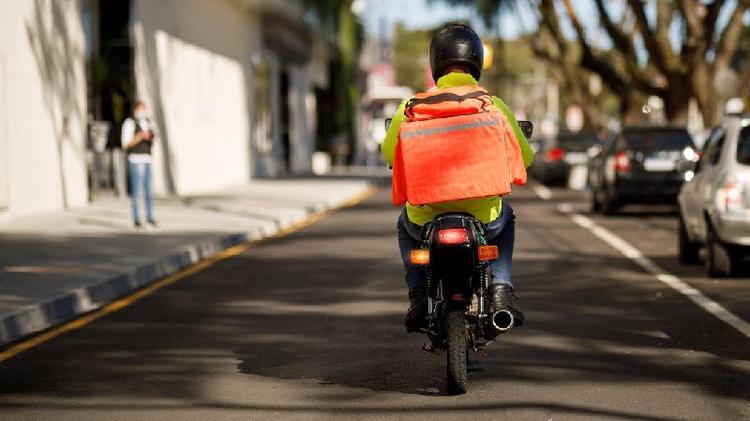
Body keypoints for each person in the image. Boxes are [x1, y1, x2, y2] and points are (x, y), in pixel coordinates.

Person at [382, 23, 534, 334]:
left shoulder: (410, 108)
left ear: (435, 61)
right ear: (476, 60)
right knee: (506, 219)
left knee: (403, 225)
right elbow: (526, 157)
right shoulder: (494, 105)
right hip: (484, 219)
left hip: (425, 221)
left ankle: (418, 295)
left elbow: (389, 155)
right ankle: (501, 289)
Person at [121, 100, 157, 230]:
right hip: (135, 160)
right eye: (140, 109)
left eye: (143, 109)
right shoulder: (129, 123)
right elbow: (125, 144)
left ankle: (150, 219)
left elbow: (153, 140)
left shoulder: (147, 122)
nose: (142, 112)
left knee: (148, 191)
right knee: (137, 191)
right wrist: (139, 137)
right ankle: (136, 220)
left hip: (147, 159)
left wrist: (149, 137)